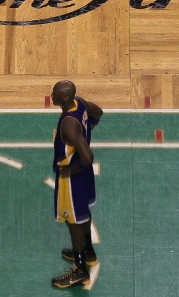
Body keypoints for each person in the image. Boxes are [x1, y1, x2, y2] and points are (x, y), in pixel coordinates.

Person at [50, 80, 103, 289]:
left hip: (72, 178)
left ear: (64, 98)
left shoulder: (68, 125)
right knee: (83, 214)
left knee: (73, 222)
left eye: (54, 93)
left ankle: (80, 270)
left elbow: (88, 157)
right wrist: (87, 131)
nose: (51, 95)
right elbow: (97, 112)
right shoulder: (79, 103)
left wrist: (68, 170)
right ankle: (87, 252)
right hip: (84, 175)